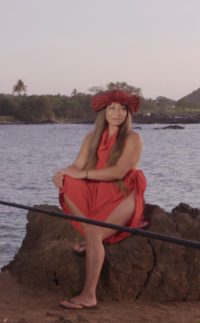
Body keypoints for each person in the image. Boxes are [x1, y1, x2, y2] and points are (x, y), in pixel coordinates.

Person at [53, 89, 146, 311]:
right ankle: (92, 237)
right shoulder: (91, 137)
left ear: (128, 113)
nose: (117, 113)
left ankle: (88, 295)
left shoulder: (133, 138)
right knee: (68, 180)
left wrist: (82, 174)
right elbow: (78, 166)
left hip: (124, 191)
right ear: (104, 111)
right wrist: (62, 172)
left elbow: (118, 172)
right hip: (97, 190)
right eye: (112, 108)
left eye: (122, 108)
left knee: (95, 231)